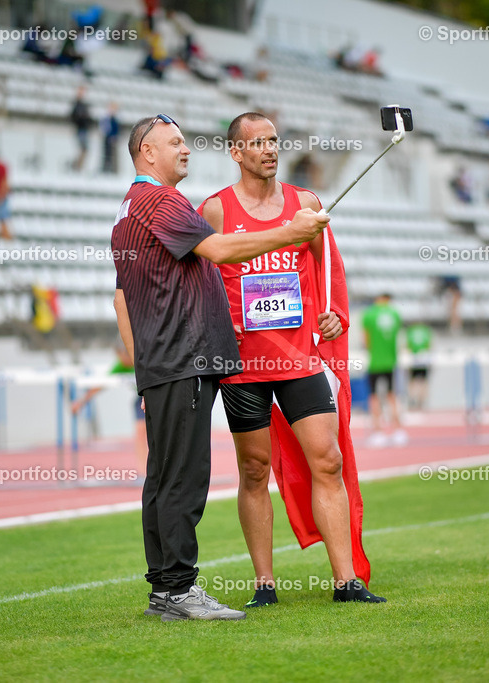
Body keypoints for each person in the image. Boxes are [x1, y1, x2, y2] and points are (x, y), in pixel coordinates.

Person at [112, 113, 330, 622]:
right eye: (175, 143)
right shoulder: (158, 201)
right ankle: (178, 591)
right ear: (148, 153)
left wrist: (142, 363)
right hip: (183, 358)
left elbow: (124, 296)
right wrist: (289, 231)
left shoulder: (130, 207)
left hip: (164, 360)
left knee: (163, 479)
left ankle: (165, 591)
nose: (186, 150)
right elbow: (221, 249)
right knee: (184, 480)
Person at [199, 112, 384, 607]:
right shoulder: (215, 210)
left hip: (299, 360)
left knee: (328, 460)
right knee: (255, 470)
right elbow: (199, 276)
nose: (269, 150)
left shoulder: (306, 203)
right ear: (235, 153)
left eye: (274, 141)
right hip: (243, 366)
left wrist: (333, 315)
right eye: (256, 143)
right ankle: (264, 584)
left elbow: (329, 266)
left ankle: (345, 581)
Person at [70, 345, 146, 479]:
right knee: (140, 433)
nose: (120, 359)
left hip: (155, 396)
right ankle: (142, 472)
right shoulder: (120, 366)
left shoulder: (143, 360)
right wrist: (81, 402)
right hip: (140, 399)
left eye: (121, 356)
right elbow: (101, 385)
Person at [362, 293, 406, 446]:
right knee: (392, 396)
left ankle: (378, 431)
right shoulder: (394, 314)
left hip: (375, 361)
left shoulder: (369, 315)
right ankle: (398, 430)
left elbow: (366, 341)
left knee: (374, 397)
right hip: (391, 361)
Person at [405, 321, 432, 410]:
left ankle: (413, 400)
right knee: (423, 381)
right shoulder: (425, 331)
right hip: (424, 358)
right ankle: (421, 402)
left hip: (413, 358)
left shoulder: (410, 331)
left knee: (413, 380)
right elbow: (429, 345)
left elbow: (407, 345)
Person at [70, 86, 91, 171]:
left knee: (84, 149)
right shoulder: (77, 105)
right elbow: (74, 117)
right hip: (80, 129)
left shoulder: (83, 105)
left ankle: (78, 167)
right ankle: (76, 167)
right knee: (83, 149)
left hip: (84, 129)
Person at [99, 103, 120, 175]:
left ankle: (114, 171)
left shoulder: (115, 119)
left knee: (114, 156)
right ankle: (105, 169)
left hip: (113, 140)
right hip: (107, 139)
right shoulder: (107, 119)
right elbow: (105, 129)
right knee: (107, 155)